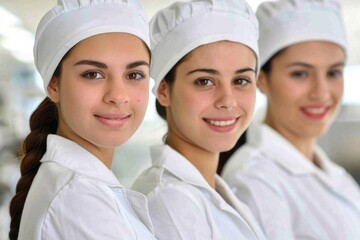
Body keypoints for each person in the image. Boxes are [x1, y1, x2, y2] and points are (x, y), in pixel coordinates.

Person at [8, 0, 156, 239]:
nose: (118, 96)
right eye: (93, 74)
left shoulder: (78, 186)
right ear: (53, 85)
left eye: (134, 75)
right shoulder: (78, 199)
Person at [221, 0, 360, 239]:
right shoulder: (254, 179)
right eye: (300, 73)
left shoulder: (337, 177)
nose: (321, 92)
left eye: (333, 72)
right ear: (261, 79)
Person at [132, 0, 266, 239]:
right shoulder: (169, 202)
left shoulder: (213, 189)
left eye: (241, 80)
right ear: (163, 91)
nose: (228, 101)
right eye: (204, 81)